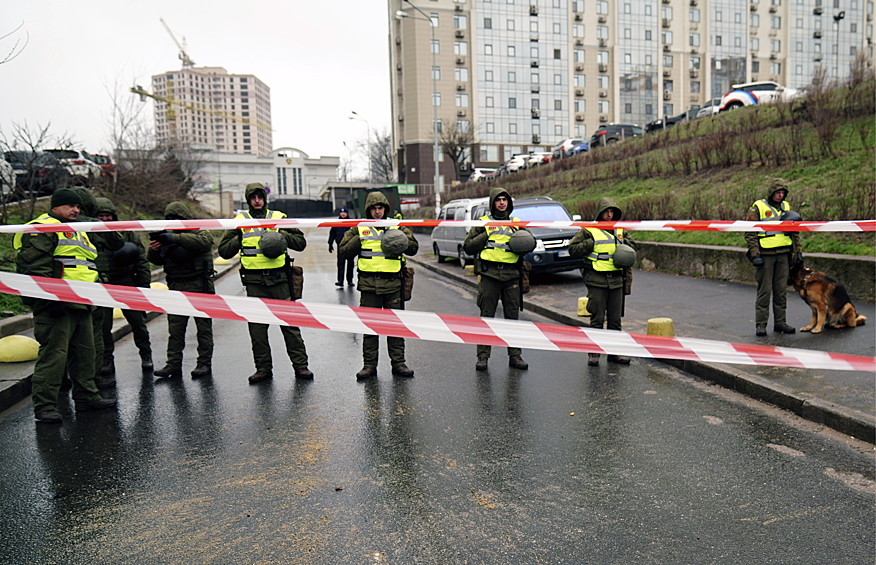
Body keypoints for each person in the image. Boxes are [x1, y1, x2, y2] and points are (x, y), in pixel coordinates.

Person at [14, 188, 117, 423]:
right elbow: (35, 268)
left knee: (86, 353)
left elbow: (83, 265)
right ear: (56, 207)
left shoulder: (77, 230)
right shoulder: (43, 228)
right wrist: (50, 299)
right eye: (71, 206)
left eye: (78, 207)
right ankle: (45, 406)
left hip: (83, 302)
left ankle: (86, 397)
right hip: (56, 304)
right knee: (54, 356)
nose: (76, 210)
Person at [218, 182, 313, 383]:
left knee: (289, 325)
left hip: (279, 279)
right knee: (258, 329)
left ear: (265, 198)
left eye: (260, 196)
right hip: (254, 282)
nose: (257, 200)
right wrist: (241, 237)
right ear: (248, 200)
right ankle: (263, 368)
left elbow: (301, 243)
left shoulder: (279, 218)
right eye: (253, 197)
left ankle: (301, 367)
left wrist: (280, 235)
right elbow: (224, 250)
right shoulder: (240, 220)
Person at [339, 191, 418, 379]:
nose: (377, 212)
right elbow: (343, 251)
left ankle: (398, 364)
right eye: (373, 208)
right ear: (368, 209)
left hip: (393, 285)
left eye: (380, 208)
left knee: (396, 327)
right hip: (369, 286)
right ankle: (369, 366)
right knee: (370, 327)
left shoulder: (395, 225)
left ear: (385, 208)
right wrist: (360, 238)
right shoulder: (360, 227)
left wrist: (401, 240)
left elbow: (413, 247)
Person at [463, 187, 531, 372]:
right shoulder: (483, 222)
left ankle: (515, 355)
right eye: (498, 199)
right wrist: (487, 233)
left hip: (511, 276)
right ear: (493, 202)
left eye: (505, 199)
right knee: (486, 317)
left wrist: (523, 242)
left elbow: (529, 243)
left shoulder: (517, 223)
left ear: (509, 202)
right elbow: (468, 246)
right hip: (490, 275)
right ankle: (483, 357)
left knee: (512, 318)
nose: (502, 202)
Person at [148, 201, 215, 379]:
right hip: (176, 286)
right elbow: (155, 260)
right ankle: (173, 364)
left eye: (176, 219)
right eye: (169, 219)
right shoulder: (166, 235)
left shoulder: (197, 231)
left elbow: (206, 241)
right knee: (176, 329)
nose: (173, 222)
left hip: (199, 285)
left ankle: (204, 363)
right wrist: (155, 249)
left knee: (203, 328)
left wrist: (174, 239)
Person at [569, 197, 638, 367]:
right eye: (606, 211)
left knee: (615, 320)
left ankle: (614, 353)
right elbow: (572, 249)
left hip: (616, 280)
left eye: (612, 211)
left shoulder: (619, 230)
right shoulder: (589, 230)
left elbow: (634, 246)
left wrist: (624, 244)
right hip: (597, 280)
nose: (609, 214)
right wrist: (589, 244)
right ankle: (594, 353)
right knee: (597, 319)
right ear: (600, 212)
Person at [70, 187, 124, 390]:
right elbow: (117, 241)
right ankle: (92, 380)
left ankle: (76, 380)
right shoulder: (93, 226)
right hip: (95, 287)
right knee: (97, 334)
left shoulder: (51, 224)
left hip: (64, 289)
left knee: (72, 338)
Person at [95, 197, 153, 376]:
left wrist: (144, 283)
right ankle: (107, 360)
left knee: (138, 323)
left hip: (126, 281)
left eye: (108, 216)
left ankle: (146, 355)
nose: (104, 220)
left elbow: (141, 259)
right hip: (102, 283)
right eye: (100, 216)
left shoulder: (126, 232)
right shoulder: (90, 232)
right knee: (103, 327)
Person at [744, 178, 801, 336]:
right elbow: (750, 232)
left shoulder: (786, 207)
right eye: (778, 192)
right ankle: (761, 324)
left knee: (781, 291)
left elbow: (794, 231)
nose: (780, 195)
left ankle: (780, 323)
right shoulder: (758, 207)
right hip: (765, 255)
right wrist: (755, 253)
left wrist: (798, 252)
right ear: (771, 193)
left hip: (783, 254)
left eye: (783, 192)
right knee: (765, 291)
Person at [327, 207, 355, 288]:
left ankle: (350, 280)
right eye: (341, 212)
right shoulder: (336, 223)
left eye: (344, 213)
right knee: (340, 263)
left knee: (350, 264)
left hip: (350, 245)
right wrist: (330, 243)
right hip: (340, 245)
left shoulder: (351, 222)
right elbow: (332, 233)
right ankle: (340, 281)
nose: (343, 214)